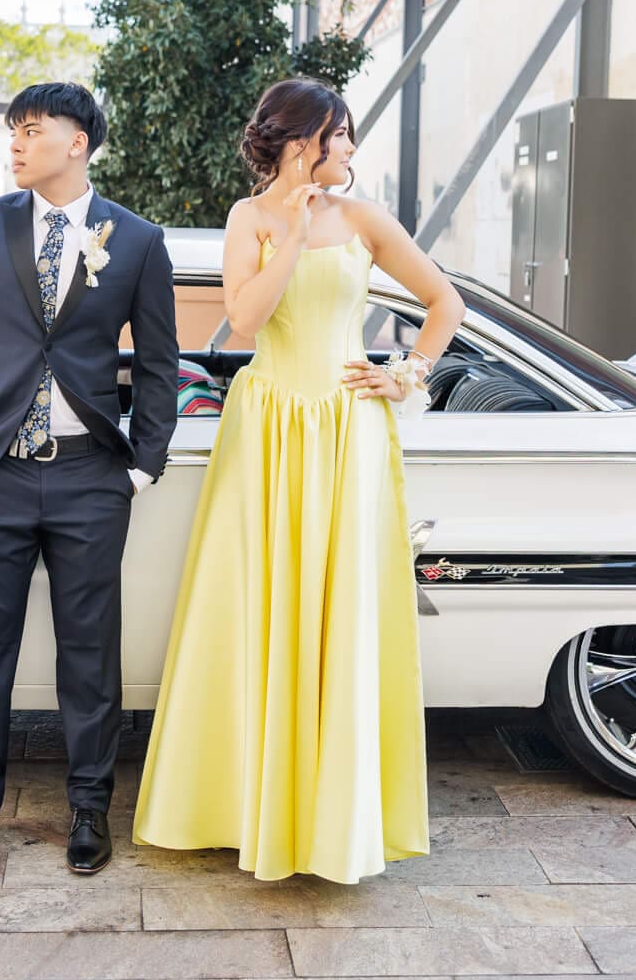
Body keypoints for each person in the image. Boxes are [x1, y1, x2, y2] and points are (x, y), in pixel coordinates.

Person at [133, 75, 465, 883]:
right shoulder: (249, 218)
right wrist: (287, 227)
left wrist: (408, 375)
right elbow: (244, 321)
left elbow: (443, 301)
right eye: (340, 135)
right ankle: (248, 806)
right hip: (271, 423)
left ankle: (333, 819)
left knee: (339, 605)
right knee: (257, 603)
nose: (349, 150)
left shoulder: (364, 217)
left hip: (346, 427)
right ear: (301, 141)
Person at [0, 81, 178, 875]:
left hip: (90, 478)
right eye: (12, 132)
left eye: (32, 130)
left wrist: (141, 467)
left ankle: (90, 809)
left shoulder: (134, 240)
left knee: (91, 653)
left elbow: (161, 366)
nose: (16, 145)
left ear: (78, 141)